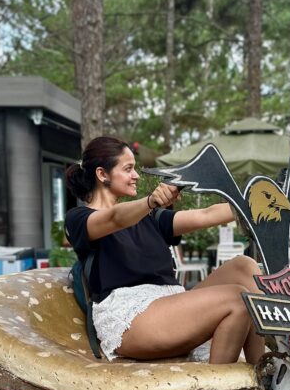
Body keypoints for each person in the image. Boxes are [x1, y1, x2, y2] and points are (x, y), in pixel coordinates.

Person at [64, 136, 265, 365]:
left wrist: (258, 202)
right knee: (237, 299)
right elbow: (115, 218)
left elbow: (206, 214)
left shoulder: (150, 218)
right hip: (130, 318)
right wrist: (150, 201)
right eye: (128, 169)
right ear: (102, 174)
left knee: (244, 266)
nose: (136, 175)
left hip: (168, 304)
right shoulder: (79, 219)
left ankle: (266, 375)